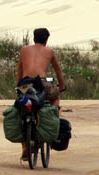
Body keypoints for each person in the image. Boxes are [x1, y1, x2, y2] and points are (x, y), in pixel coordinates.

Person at [15, 27, 66, 159]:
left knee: (21, 108)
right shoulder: (49, 51)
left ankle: (24, 146)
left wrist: (19, 86)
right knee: (55, 96)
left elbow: (19, 70)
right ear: (46, 40)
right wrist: (61, 86)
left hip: (26, 84)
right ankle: (51, 118)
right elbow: (58, 71)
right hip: (42, 83)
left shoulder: (24, 50)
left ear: (34, 38)